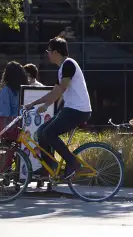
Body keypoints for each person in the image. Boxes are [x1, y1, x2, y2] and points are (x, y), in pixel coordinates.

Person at [25, 37, 92, 180]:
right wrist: (33, 104)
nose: (47, 54)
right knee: (41, 131)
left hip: (78, 110)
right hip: (71, 109)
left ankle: (73, 163)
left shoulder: (69, 64)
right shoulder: (62, 69)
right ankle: (48, 167)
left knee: (49, 133)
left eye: (48, 51)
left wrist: (46, 106)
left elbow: (61, 89)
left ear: (56, 52)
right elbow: (53, 92)